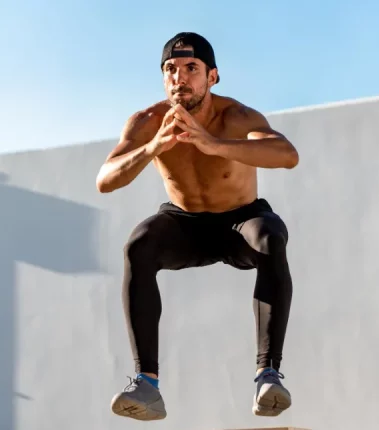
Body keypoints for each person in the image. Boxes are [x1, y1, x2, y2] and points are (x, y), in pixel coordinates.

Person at [95, 32, 299, 421]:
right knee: (139, 244)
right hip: (184, 223)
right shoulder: (147, 122)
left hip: (240, 221)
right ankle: (146, 384)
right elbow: (105, 179)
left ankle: (267, 374)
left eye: (191, 69)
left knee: (271, 235)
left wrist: (213, 144)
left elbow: (287, 155)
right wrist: (153, 147)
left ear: (213, 77)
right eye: (171, 70)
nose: (180, 78)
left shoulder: (237, 116)